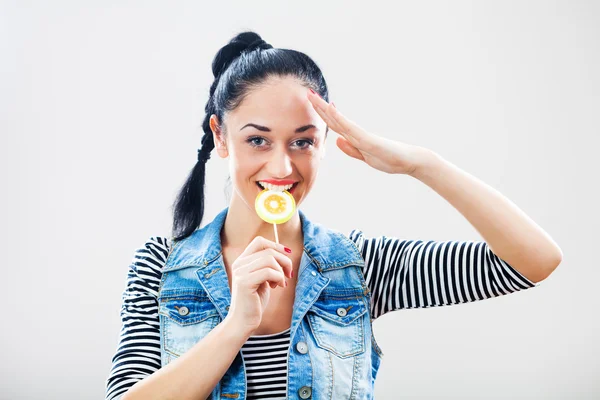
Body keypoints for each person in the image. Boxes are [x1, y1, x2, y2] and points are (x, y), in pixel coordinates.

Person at [104, 31, 562, 400]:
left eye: (302, 141)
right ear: (220, 137)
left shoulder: (360, 266)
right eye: (258, 140)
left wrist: (422, 164)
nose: (282, 168)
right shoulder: (160, 269)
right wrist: (235, 326)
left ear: (324, 143)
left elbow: (535, 261)